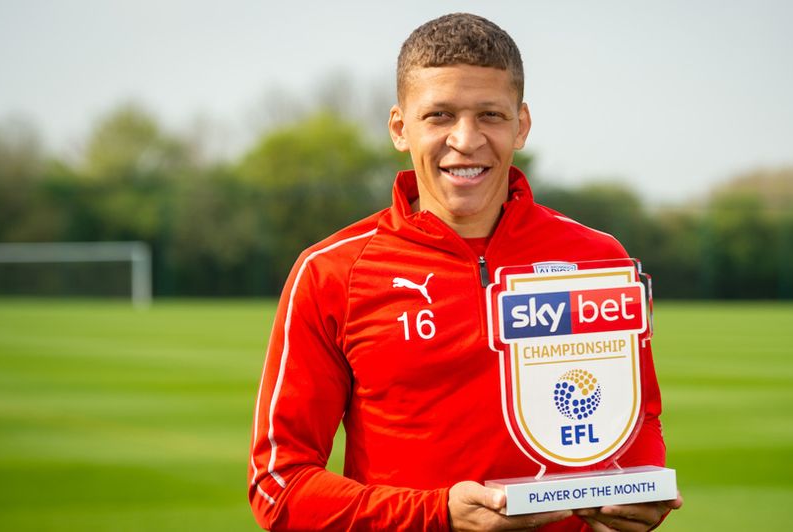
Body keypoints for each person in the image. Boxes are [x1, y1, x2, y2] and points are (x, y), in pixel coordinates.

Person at [248, 12, 681, 531]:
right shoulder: (330, 271)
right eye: (440, 115)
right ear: (399, 128)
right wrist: (438, 515)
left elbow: (636, 422)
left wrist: (639, 491)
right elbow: (279, 484)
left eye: (490, 115)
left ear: (521, 125)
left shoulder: (597, 258)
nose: (466, 139)